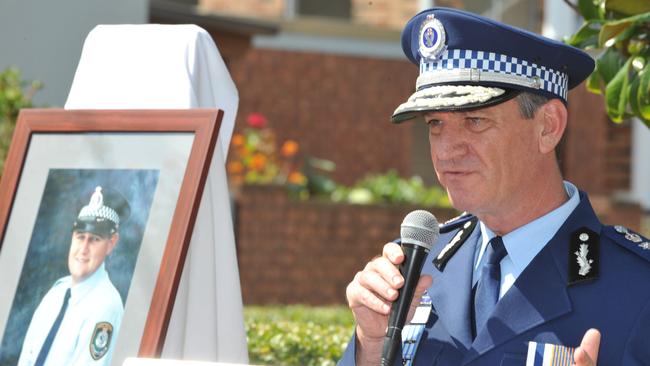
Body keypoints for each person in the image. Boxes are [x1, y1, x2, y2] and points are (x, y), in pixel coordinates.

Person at [338, 7, 650, 366]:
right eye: (436, 123)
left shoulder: (637, 288)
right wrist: (371, 347)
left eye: (475, 120)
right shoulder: (412, 268)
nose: (446, 149)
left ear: (548, 126)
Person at [18, 186, 130, 366]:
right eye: (80, 236)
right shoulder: (57, 292)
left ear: (111, 243)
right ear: (72, 237)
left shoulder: (106, 306)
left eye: (94, 239)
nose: (83, 249)